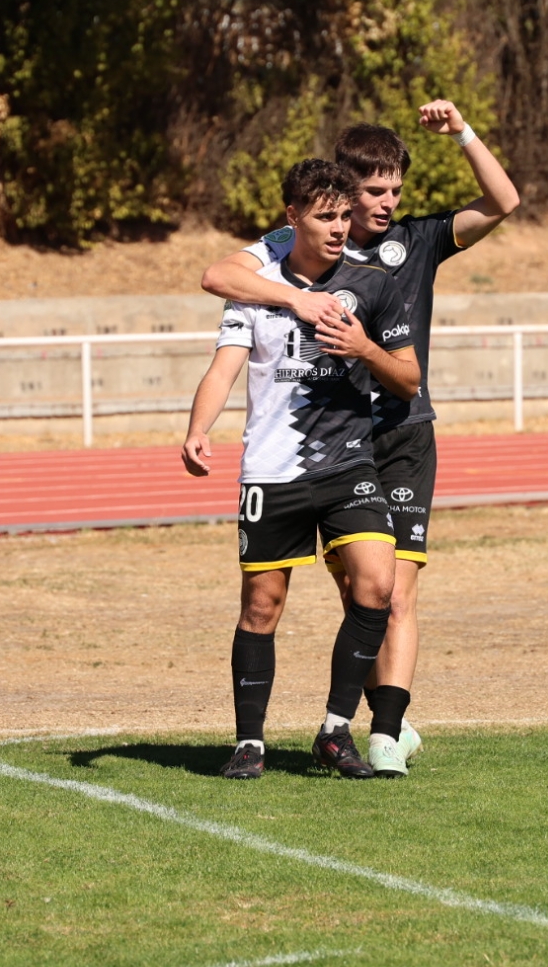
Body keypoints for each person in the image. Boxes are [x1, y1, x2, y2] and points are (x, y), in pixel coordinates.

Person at [200, 100, 520, 776]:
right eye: (372, 191)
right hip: (324, 444)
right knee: (347, 596)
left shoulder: (416, 242)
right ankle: (325, 725)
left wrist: (462, 132)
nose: (385, 203)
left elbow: (504, 201)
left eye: (394, 190)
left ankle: (383, 733)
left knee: (391, 589)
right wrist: (294, 300)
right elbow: (219, 276)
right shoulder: (291, 242)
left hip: (399, 434)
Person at [182, 158, 421, 780]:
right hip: (271, 472)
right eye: (325, 217)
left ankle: (336, 730)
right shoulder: (255, 289)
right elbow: (223, 370)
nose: (339, 227)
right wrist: (198, 429)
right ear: (293, 218)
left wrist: (365, 349)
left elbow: (408, 379)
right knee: (262, 607)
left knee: (377, 587)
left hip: (348, 465)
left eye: (344, 215)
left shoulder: (373, 284)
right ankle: (249, 743)